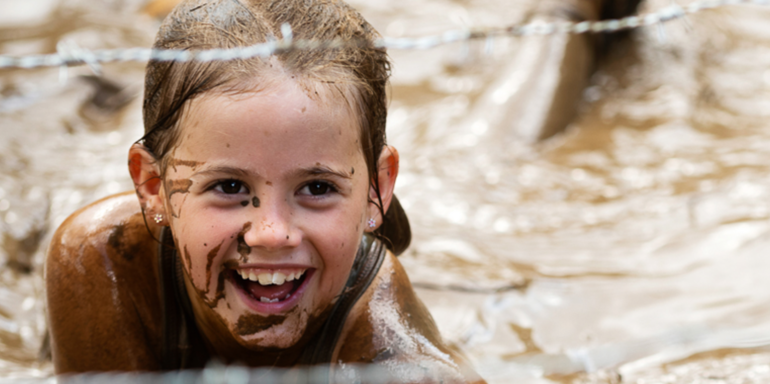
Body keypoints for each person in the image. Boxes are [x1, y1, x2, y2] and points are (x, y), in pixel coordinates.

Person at [44, 0, 483, 381]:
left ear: (379, 188)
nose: (272, 234)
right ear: (152, 187)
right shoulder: (101, 258)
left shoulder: (396, 362)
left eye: (317, 187)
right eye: (229, 186)